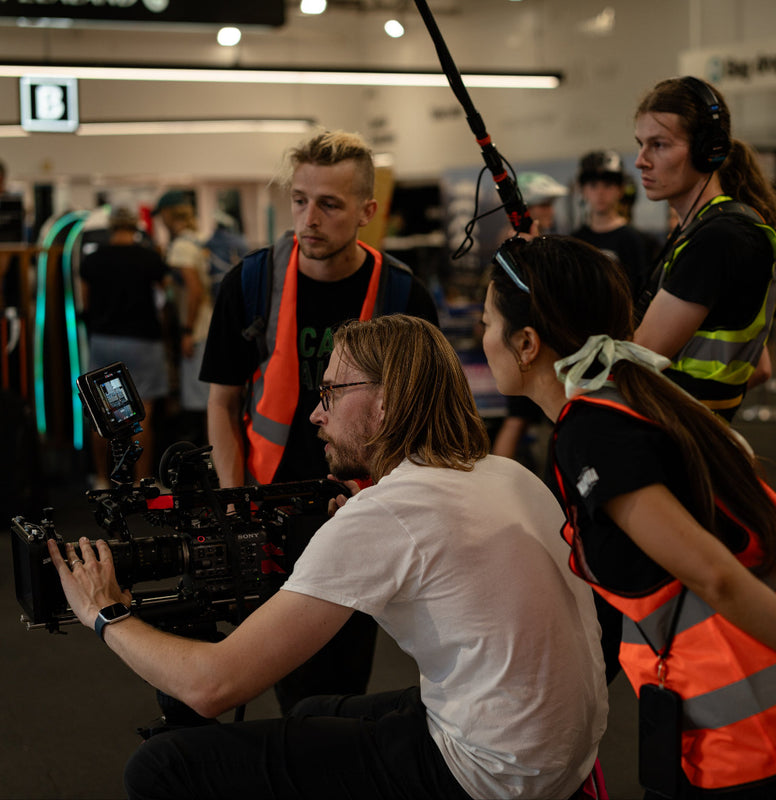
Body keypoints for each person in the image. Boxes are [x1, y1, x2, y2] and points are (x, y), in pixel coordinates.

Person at [49, 314, 608, 800]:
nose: (316, 414)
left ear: (386, 402)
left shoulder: (390, 513)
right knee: (314, 709)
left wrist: (106, 612)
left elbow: (212, 685)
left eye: (332, 394)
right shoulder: (504, 473)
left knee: (162, 769)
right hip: (564, 752)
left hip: (493, 775)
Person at [483, 234, 776, 799]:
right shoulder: (630, 393)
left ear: (527, 343)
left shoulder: (595, 431)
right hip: (738, 724)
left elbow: (715, 575)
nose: (482, 339)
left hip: (760, 732)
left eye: (487, 321)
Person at [199, 130, 438, 713]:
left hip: (362, 511)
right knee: (282, 675)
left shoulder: (402, 294)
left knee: (339, 681)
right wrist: (235, 504)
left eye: (329, 204)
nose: (309, 218)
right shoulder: (250, 285)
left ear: (367, 211)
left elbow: (424, 415)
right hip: (272, 509)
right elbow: (222, 403)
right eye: (300, 200)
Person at [632, 76, 776, 421]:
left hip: (677, 440)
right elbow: (761, 368)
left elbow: (637, 359)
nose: (641, 160)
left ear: (709, 151)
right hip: (691, 435)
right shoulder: (712, 228)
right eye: (640, 144)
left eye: (659, 145)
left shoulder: (719, 237)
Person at [79, 206, 170, 485]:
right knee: (143, 414)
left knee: (103, 414)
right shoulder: (150, 257)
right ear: (136, 227)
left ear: (111, 227)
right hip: (143, 340)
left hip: (105, 339)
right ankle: (143, 482)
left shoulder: (93, 260)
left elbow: (85, 302)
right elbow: (164, 298)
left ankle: (102, 479)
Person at [492, 171, 568, 464]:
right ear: (527, 209)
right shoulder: (518, 246)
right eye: (543, 204)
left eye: (550, 204)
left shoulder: (528, 243)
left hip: (528, 343)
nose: (549, 211)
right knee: (519, 418)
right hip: (526, 345)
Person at [153, 190, 213, 445]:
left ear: (168, 214)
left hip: (197, 331)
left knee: (199, 403)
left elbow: (195, 290)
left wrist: (187, 331)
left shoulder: (180, 246)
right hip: (208, 327)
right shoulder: (198, 240)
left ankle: (207, 462)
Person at [572, 150, 651, 300]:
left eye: (608, 185)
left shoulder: (635, 240)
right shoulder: (575, 239)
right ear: (582, 190)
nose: (600, 193)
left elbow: (640, 292)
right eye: (593, 185)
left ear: (620, 190)